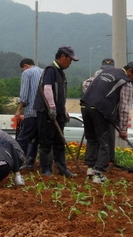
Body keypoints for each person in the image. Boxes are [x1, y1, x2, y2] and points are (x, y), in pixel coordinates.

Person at [81, 61, 133, 184]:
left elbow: (86, 83)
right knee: (104, 142)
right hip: (100, 110)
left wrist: (96, 95)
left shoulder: (103, 71)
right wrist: (123, 130)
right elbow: (125, 108)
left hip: (85, 105)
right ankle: (98, 174)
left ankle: (90, 168)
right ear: (130, 71)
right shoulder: (126, 82)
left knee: (91, 139)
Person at [33, 46, 79, 177]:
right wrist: (52, 107)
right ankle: (45, 169)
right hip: (46, 111)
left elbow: (60, 94)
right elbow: (47, 89)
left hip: (58, 112)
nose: (70, 63)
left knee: (59, 141)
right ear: (63, 57)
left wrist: (63, 110)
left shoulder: (60, 72)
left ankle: (62, 168)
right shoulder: (51, 70)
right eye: (70, 60)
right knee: (46, 142)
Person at [82, 57, 118, 168]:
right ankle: (97, 164)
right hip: (98, 109)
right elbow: (85, 84)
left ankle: (108, 161)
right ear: (101, 67)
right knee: (99, 138)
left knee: (107, 137)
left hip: (108, 110)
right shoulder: (98, 74)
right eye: (105, 68)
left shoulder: (115, 76)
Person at [14, 58, 43, 170]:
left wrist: (19, 110)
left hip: (32, 112)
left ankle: (17, 162)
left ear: (25, 66)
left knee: (22, 139)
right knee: (37, 139)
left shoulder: (27, 73)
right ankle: (41, 165)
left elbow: (24, 94)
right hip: (44, 113)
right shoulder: (44, 71)